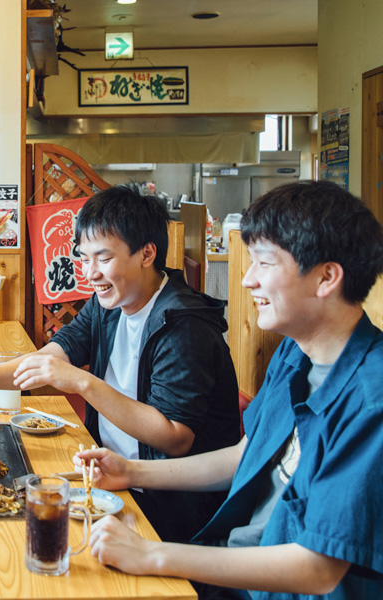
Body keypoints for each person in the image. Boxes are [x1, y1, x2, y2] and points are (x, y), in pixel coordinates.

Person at [76, 180, 383, 599]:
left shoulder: (371, 397)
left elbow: (318, 569)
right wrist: (130, 471)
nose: (246, 280)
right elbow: (246, 457)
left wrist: (153, 555)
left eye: (265, 263)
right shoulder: (296, 355)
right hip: (230, 569)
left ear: (326, 277)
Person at [0, 184, 240, 542]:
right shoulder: (108, 305)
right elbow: (51, 358)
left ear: (146, 254)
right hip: (108, 477)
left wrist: (81, 382)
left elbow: (174, 438)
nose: (90, 273)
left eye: (104, 258)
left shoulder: (183, 325)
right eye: (84, 258)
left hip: (169, 510)